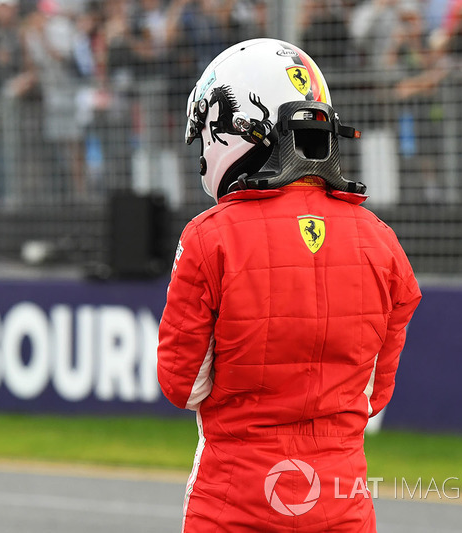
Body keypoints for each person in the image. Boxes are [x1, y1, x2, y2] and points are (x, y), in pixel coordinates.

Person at [156, 38, 421, 532]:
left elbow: (182, 385)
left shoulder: (208, 238)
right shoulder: (383, 244)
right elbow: (372, 398)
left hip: (234, 504)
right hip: (342, 508)